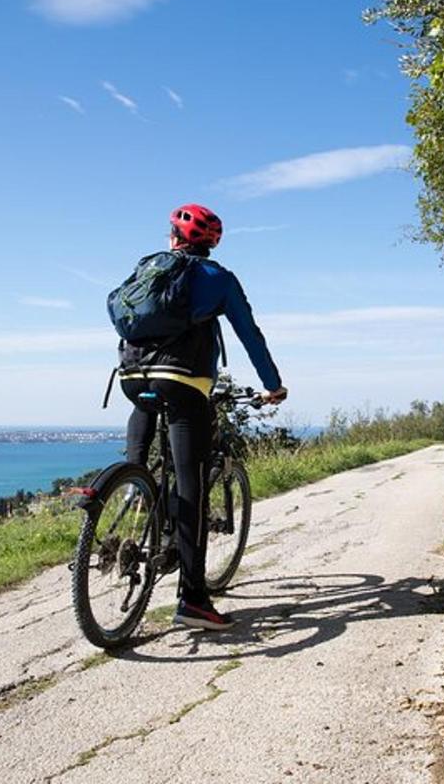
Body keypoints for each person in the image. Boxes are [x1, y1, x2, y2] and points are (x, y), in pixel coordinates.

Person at [118, 203, 287, 630]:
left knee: (141, 456)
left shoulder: (148, 269)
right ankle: (193, 600)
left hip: (132, 376)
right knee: (191, 488)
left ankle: (133, 490)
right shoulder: (218, 279)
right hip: (185, 382)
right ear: (211, 242)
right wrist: (273, 384)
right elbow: (249, 334)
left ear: (172, 237)